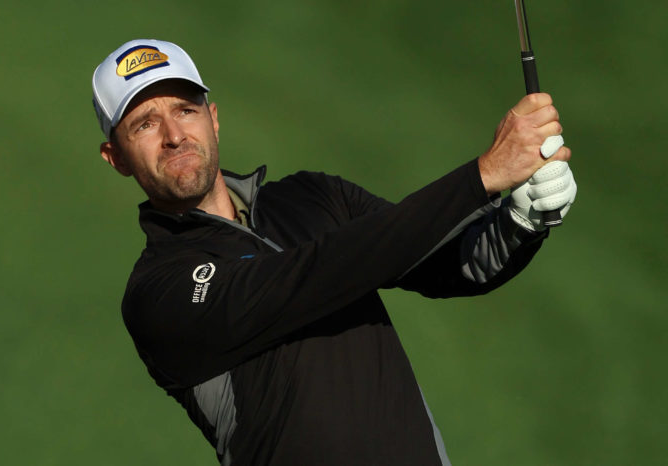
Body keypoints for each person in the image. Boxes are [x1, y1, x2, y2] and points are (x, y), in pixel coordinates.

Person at [92, 39, 576, 466]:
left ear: (213, 119)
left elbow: (450, 264)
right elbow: (317, 273)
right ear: (115, 157)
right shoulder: (158, 292)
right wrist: (484, 176)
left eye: (185, 109)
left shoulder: (313, 197)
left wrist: (519, 220)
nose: (174, 135)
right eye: (144, 125)